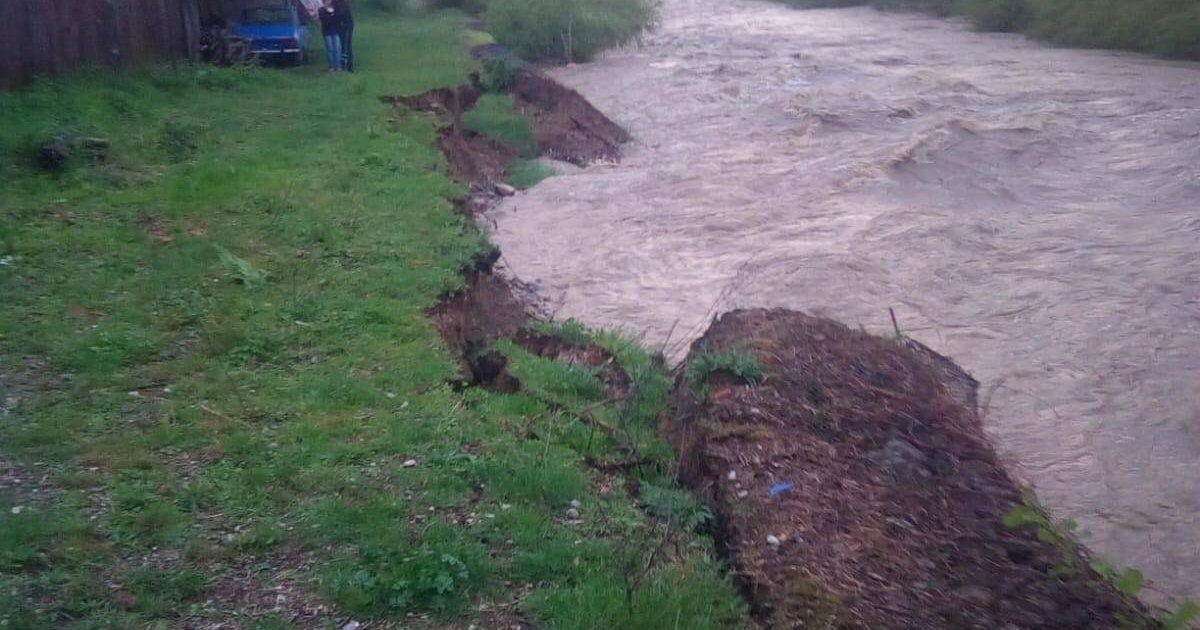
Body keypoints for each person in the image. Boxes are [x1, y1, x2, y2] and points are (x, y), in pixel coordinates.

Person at [318, 0, 341, 71]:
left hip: (336, 31)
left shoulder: (335, 8)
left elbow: (338, 19)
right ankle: (331, 66)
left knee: (337, 49)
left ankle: (338, 66)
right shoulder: (321, 10)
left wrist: (332, 16)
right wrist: (331, 15)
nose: (329, 1)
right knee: (330, 49)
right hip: (327, 32)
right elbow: (324, 20)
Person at [332, 0, 354, 72]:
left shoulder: (341, 4)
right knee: (343, 45)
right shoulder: (338, 3)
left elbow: (340, 15)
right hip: (342, 25)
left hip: (346, 25)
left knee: (346, 45)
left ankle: (348, 65)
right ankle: (344, 64)